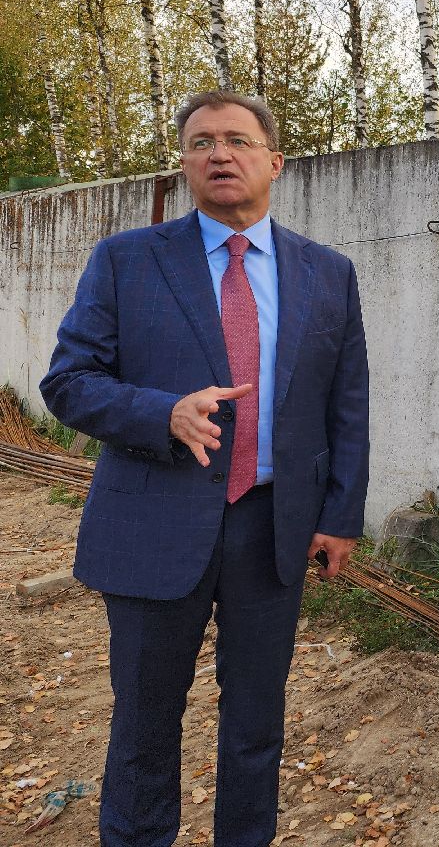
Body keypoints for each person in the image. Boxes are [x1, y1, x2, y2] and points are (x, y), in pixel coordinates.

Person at [40, 91, 369, 847]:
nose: (220, 153)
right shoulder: (126, 261)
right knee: (146, 725)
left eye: (238, 140)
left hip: (272, 529)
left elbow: (347, 403)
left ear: (274, 161)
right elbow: (68, 381)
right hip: (153, 525)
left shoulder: (328, 274)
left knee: (257, 725)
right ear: (184, 163)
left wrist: (339, 515)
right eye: (201, 142)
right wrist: (162, 414)